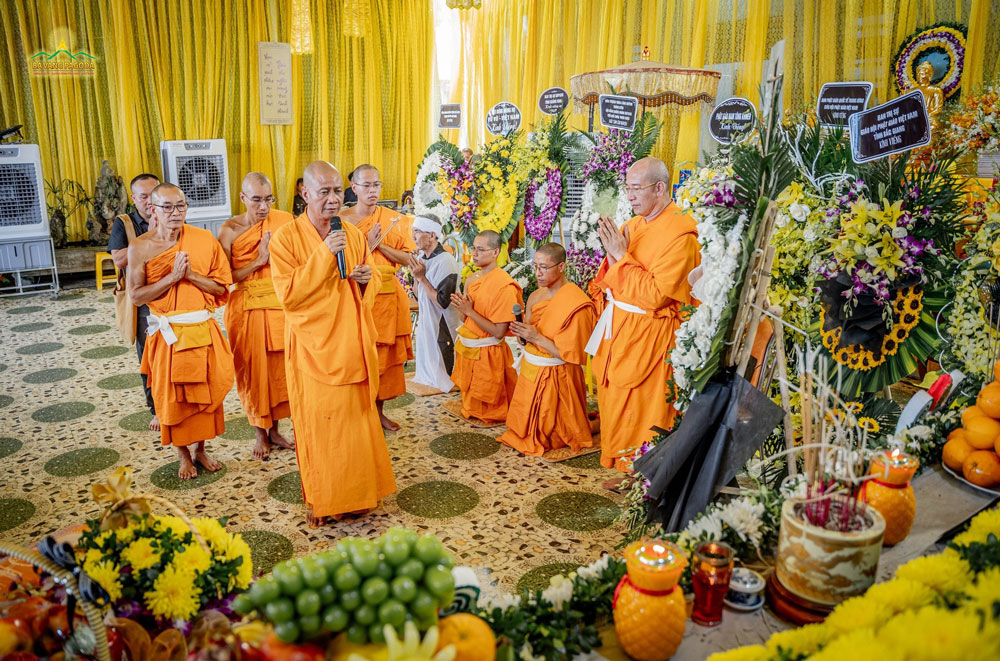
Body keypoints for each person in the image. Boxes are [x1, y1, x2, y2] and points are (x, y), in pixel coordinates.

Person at [269, 160, 396, 526]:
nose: (332, 199)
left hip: (350, 346)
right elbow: (289, 295)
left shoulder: (352, 235)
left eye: (338, 190)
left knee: (355, 429)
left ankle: (358, 495)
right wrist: (325, 253)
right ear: (304, 193)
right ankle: (324, 500)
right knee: (321, 430)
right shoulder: (286, 240)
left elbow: (363, 293)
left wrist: (364, 280)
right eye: (323, 192)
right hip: (314, 349)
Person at [586, 157, 700, 476]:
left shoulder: (681, 234)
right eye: (628, 188)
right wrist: (613, 256)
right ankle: (621, 466)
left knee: (643, 409)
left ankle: (645, 478)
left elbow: (655, 295)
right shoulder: (634, 226)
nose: (630, 196)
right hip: (619, 328)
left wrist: (621, 255)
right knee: (613, 399)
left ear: (660, 188)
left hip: (650, 334)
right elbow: (609, 278)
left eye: (636, 188)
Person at [126, 183, 235, 479]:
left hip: (201, 328)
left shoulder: (203, 239)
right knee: (171, 397)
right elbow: (136, 296)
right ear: (153, 210)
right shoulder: (141, 246)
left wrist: (192, 276)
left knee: (205, 394)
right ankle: (183, 454)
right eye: (168, 207)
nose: (176, 213)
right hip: (168, 334)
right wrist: (173, 278)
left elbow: (222, 288)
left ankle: (200, 449)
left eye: (181, 206)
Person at [218, 173, 295, 460]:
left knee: (278, 371)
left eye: (268, 199)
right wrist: (259, 261)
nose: (263, 206)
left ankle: (275, 430)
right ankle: (260, 432)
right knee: (252, 371)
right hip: (246, 306)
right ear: (243, 198)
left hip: (279, 304)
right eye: (257, 200)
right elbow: (225, 278)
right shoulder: (229, 230)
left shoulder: (284, 220)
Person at [499, 243, 597, 456]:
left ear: (561, 266)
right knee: (521, 430)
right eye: (535, 266)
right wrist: (523, 336)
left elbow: (571, 356)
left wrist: (536, 336)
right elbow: (527, 339)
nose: (538, 273)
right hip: (531, 370)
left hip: (558, 374)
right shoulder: (535, 296)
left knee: (549, 436)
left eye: (544, 267)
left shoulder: (576, 303)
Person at [340, 164, 415, 431]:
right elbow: (337, 262)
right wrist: (365, 243)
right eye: (366, 185)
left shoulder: (394, 219)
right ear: (354, 187)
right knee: (357, 354)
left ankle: (379, 412)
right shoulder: (342, 220)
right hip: (357, 294)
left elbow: (409, 259)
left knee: (384, 358)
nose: (372, 191)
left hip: (388, 295)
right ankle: (359, 413)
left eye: (376, 185)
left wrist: (381, 244)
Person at [449, 230, 523, 424]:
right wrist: (462, 307)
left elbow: (499, 332)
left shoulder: (504, 286)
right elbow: (464, 318)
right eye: (473, 248)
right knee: (471, 395)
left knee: (491, 403)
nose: (474, 253)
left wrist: (470, 311)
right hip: (469, 347)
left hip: (490, 351)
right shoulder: (472, 279)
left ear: (495, 252)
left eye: (481, 250)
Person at [108, 173, 160, 431]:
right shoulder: (125, 223)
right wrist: (149, 239)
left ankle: (176, 403)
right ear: (133, 198)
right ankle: (157, 409)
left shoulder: (171, 214)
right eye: (144, 196)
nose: (151, 202)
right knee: (148, 355)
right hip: (141, 299)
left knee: (173, 353)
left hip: (170, 295)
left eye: (154, 194)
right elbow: (118, 259)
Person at [407, 215, 461, 393]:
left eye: (417, 232)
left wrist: (422, 278)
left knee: (442, 373)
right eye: (413, 232)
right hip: (427, 320)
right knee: (426, 368)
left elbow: (442, 303)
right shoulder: (423, 257)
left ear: (431, 235)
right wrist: (416, 277)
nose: (413, 236)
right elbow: (417, 294)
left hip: (443, 323)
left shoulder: (446, 261)